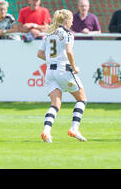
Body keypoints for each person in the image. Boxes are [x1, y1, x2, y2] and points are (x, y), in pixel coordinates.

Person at [37, 9, 88, 143]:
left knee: (55, 104)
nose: (72, 22)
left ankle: (46, 132)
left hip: (50, 72)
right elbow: (69, 52)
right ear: (66, 20)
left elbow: (40, 54)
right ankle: (74, 128)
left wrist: (51, 61)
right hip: (63, 70)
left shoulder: (48, 34)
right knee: (82, 99)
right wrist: (74, 66)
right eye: (71, 20)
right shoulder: (67, 34)